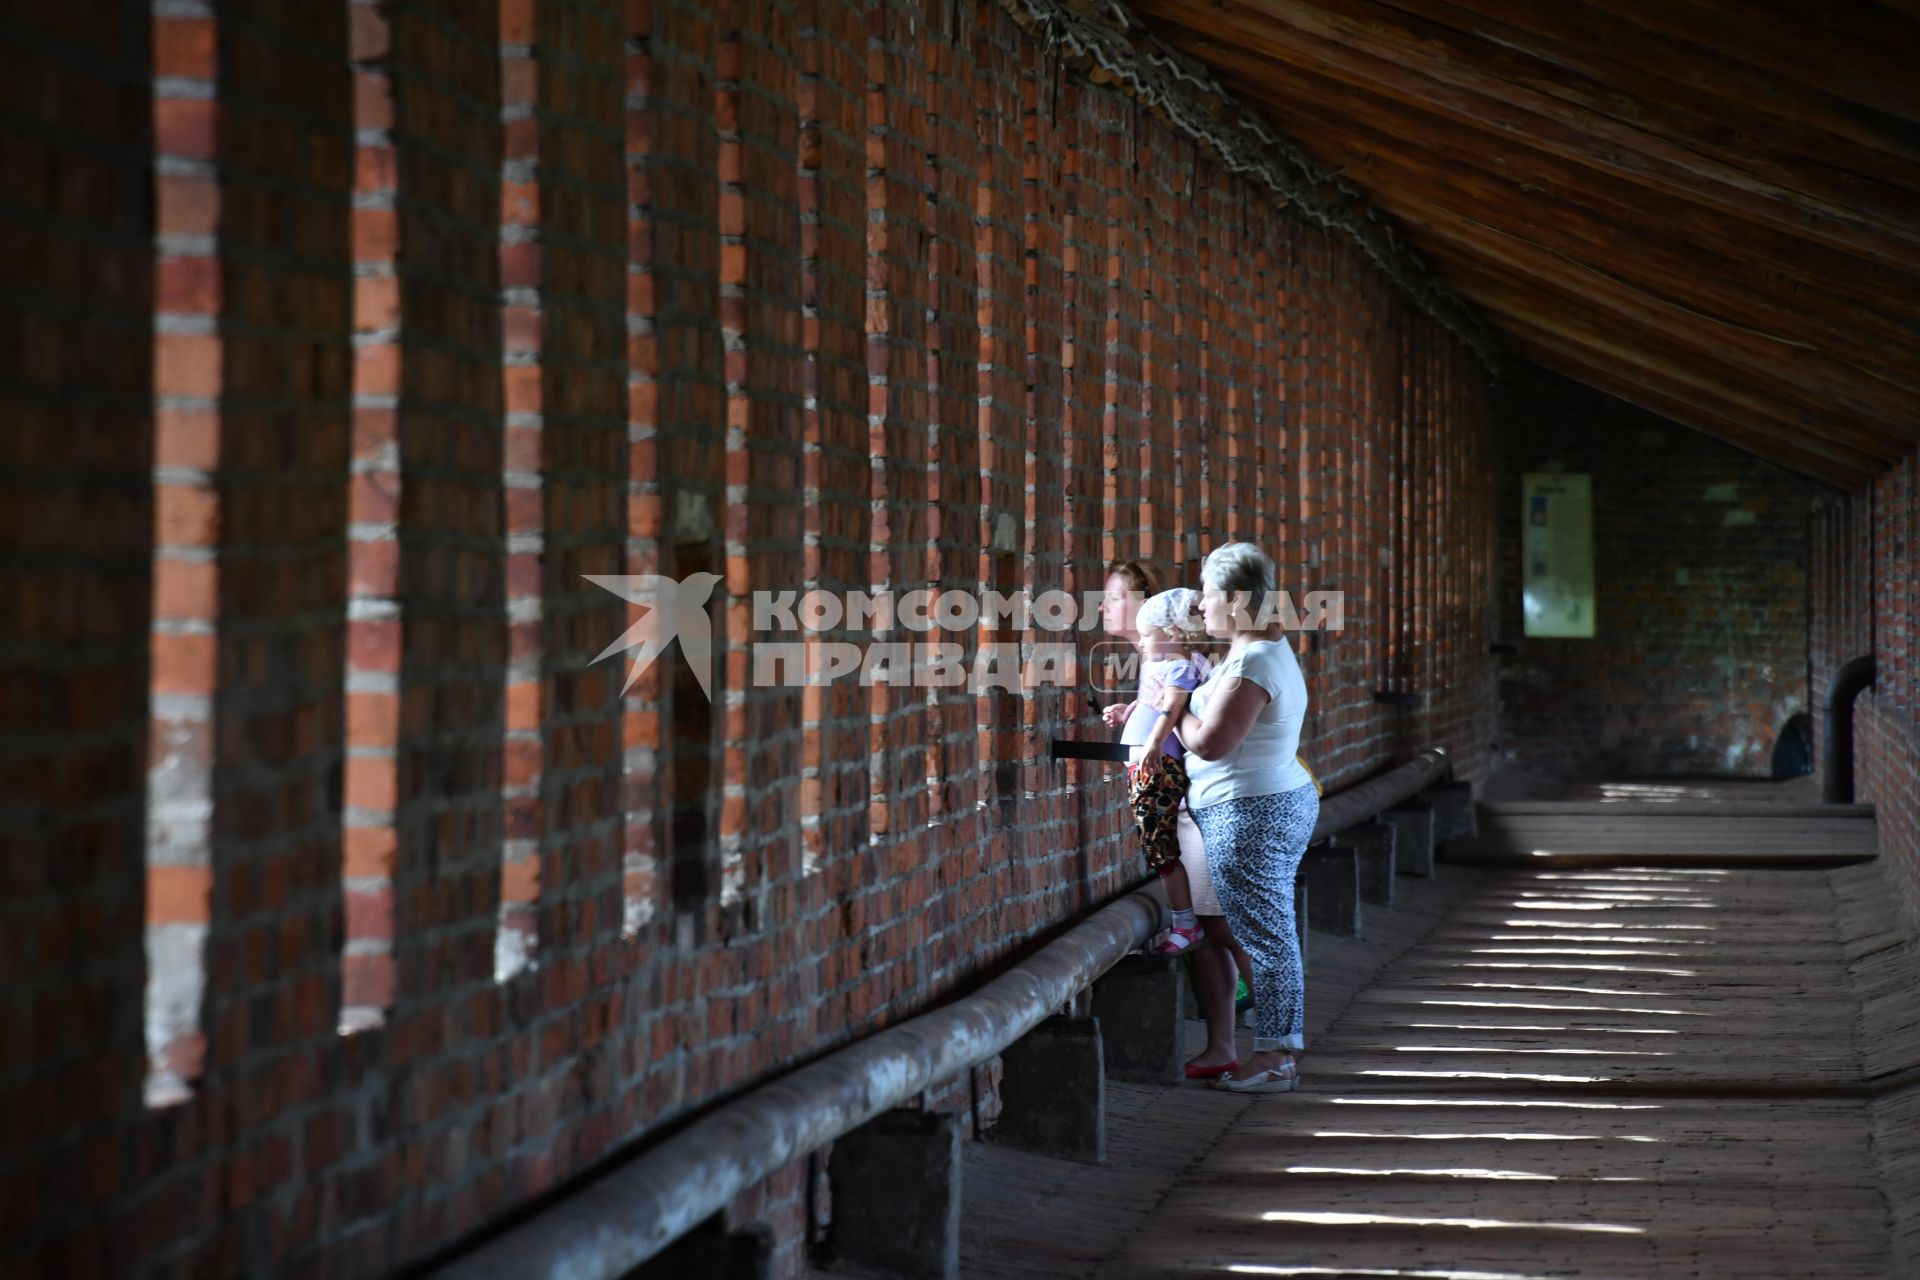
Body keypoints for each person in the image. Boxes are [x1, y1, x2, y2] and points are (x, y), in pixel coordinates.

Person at [1155, 541, 1319, 1093]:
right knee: (1262, 933)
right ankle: (1273, 1050)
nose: (1201, 608)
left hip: (1252, 811)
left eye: (1207, 597)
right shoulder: (1257, 648)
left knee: (1267, 939)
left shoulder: (1252, 660)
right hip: (1258, 804)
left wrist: (1168, 712)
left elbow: (1214, 743)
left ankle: (1276, 1055)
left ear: (1238, 599)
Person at [1121, 589, 1212, 956]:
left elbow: (1171, 710)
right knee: (1155, 846)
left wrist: (1154, 744)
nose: (1140, 643)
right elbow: (1151, 705)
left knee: (1161, 849)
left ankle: (1185, 923)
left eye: (1146, 635)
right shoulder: (1166, 665)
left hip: (1158, 769)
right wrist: (1126, 713)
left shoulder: (1181, 666)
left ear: (1173, 633)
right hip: (1146, 768)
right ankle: (1186, 919)